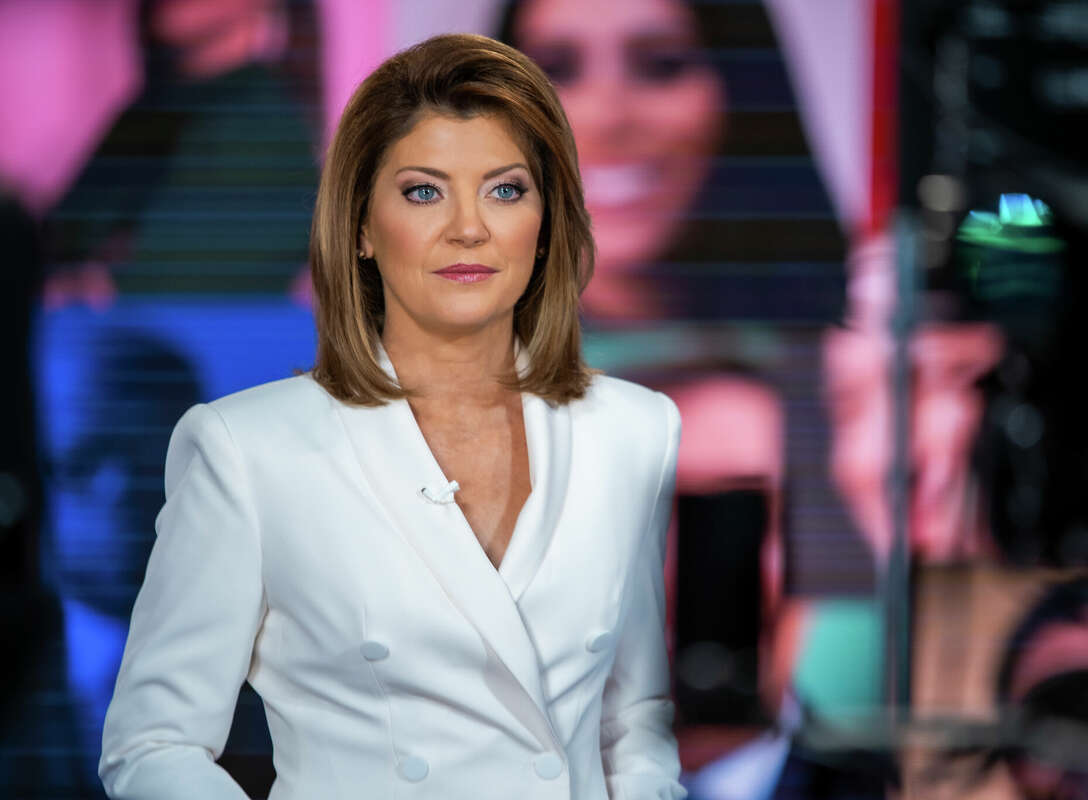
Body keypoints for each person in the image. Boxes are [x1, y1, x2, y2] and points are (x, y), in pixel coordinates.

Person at [99, 33, 684, 800]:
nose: (468, 227)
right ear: (364, 227)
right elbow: (153, 745)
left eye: (506, 190)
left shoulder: (634, 432)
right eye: (423, 190)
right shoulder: (247, 450)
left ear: (546, 224)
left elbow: (633, 717)